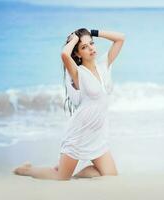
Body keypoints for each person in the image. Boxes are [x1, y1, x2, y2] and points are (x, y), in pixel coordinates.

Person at [13, 28, 125, 180]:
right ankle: (27, 170)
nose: (91, 48)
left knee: (110, 174)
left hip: (97, 135)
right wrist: (74, 39)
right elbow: (65, 54)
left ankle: (76, 176)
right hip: (79, 133)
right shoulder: (79, 73)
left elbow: (120, 38)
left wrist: (93, 32)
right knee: (61, 178)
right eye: (84, 47)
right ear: (78, 53)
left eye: (91, 44)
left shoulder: (104, 65)